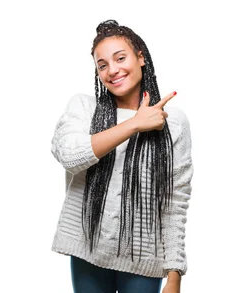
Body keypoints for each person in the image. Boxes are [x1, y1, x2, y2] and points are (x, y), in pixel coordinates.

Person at [51, 20, 193, 293]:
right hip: (88, 252)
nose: (112, 70)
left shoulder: (173, 122)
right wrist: (134, 124)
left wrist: (174, 274)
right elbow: (69, 155)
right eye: (102, 65)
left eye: (120, 58)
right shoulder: (84, 106)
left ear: (140, 57)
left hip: (144, 256)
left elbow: (176, 200)